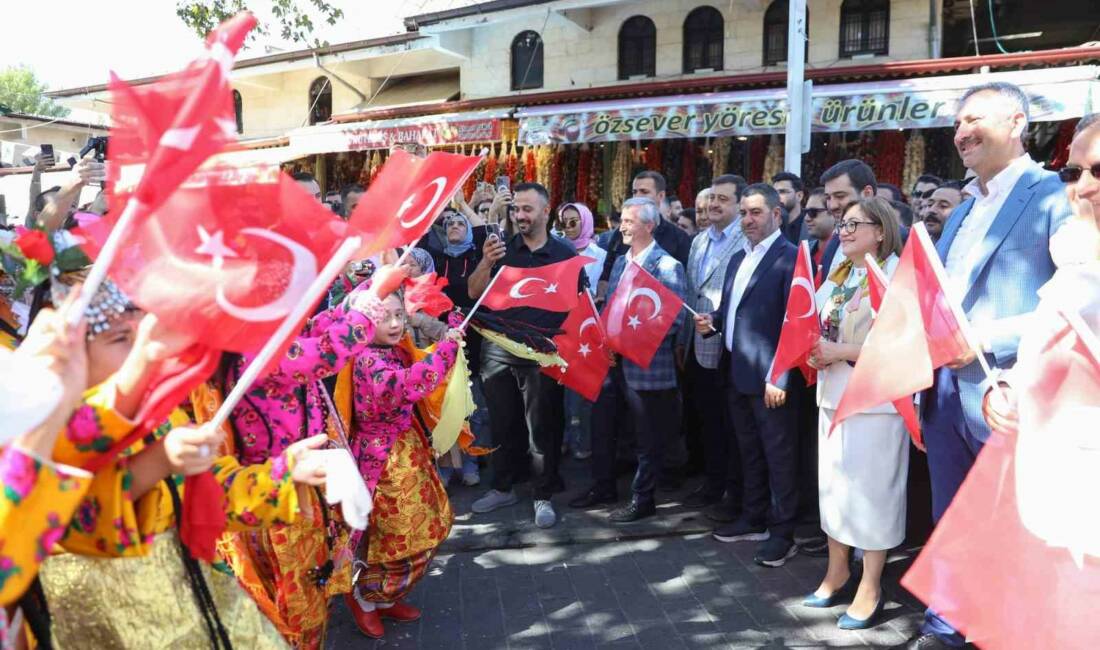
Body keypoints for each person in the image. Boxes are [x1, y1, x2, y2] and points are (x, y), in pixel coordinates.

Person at [896, 81, 1072, 650]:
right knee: (952, 518)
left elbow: (1076, 302)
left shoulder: (1053, 195)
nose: (961, 132)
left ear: (1017, 122)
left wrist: (985, 338)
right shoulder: (965, 208)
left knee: (1018, 527)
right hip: (945, 393)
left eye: (974, 119)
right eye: (957, 122)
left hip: (1011, 397)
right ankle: (945, 627)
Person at [803, 197, 907, 631]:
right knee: (835, 489)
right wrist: (814, 353)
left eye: (853, 224)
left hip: (876, 403)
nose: (843, 231)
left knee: (872, 495)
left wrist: (841, 351)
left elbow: (905, 346)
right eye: (841, 224)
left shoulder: (899, 273)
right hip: (832, 395)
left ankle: (871, 584)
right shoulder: (839, 273)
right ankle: (837, 570)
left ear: (880, 230)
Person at [340, 292, 463, 640]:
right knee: (400, 534)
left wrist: (448, 336)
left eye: (398, 315)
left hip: (406, 449)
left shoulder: (391, 349)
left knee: (423, 528)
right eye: (384, 318)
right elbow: (408, 383)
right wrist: (447, 349)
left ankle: (386, 597)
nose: (395, 324)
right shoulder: (365, 359)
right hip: (383, 460)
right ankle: (365, 596)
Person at [694, 183, 800, 567]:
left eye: (755, 212)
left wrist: (781, 377)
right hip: (736, 372)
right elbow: (736, 310)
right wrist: (715, 322)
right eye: (743, 212)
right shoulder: (739, 258)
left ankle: (783, 532)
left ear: (776, 214)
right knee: (749, 452)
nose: (747, 220)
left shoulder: (791, 257)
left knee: (779, 457)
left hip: (771, 380)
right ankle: (754, 518)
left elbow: (796, 324)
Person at [468, 182, 580, 529]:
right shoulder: (500, 249)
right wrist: (486, 261)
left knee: (541, 432)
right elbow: (473, 292)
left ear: (546, 212)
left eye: (528, 209)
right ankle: (503, 487)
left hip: (543, 356)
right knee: (502, 426)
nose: (520, 216)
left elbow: (580, 307)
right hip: (498, 352)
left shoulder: (565, 254)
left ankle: (542, 495)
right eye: (516, 209)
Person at [570, 198, 686, 522]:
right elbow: (614, 308)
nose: (621, 227)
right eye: (621, 220)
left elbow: (674, 319)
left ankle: (643, 499)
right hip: (615, 363)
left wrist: (629, 341)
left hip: (648, 367)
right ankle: (606, 487)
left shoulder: (667, 266)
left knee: (647, 438)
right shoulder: (621, 261)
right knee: (618, 431)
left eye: (629, 221)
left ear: (649, 226)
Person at [676, 174, 746, 517]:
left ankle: (730, 489)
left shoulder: (745, 240)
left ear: (739, 204)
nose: (714, 205)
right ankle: (712, 482)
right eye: (711, 198)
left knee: (728, 424)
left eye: (723, 199)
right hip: (697, 345)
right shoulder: (699, 241)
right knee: (706, 420)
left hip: (727, 345)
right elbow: (691, 292)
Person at [557, 202, 606, 460]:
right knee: (562, 389)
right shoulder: (558, 251)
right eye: (564, 221)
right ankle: (565, 437)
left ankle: (585, 441)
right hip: (561, 331)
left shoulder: (600, 255)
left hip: (589, 331)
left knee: (585, 391)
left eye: (574, 221)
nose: (569, 226)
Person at [597, 171, 691, 301]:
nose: (637, 196)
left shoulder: (679, 238)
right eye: (635, 192)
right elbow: (606, 274)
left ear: (661, 195)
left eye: (644, 192)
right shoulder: (620, 234)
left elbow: (679, 296)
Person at [818, 160, 878, 281]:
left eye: (840, 196)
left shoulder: (900, 240)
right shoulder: (834, 242)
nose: (832, 205)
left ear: (867, 194)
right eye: (828, 198)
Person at [804, 188, 836, 280]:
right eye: (806, 212)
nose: (807, 218)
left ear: (833, 212)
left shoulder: (846, 254)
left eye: (813, 212)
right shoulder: (804, 251)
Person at [772, 171, 807, 242]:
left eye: (782, 192)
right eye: (775, 193)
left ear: (799, 196)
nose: (777, 197)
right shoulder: (770, 225)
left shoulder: (810, 224)